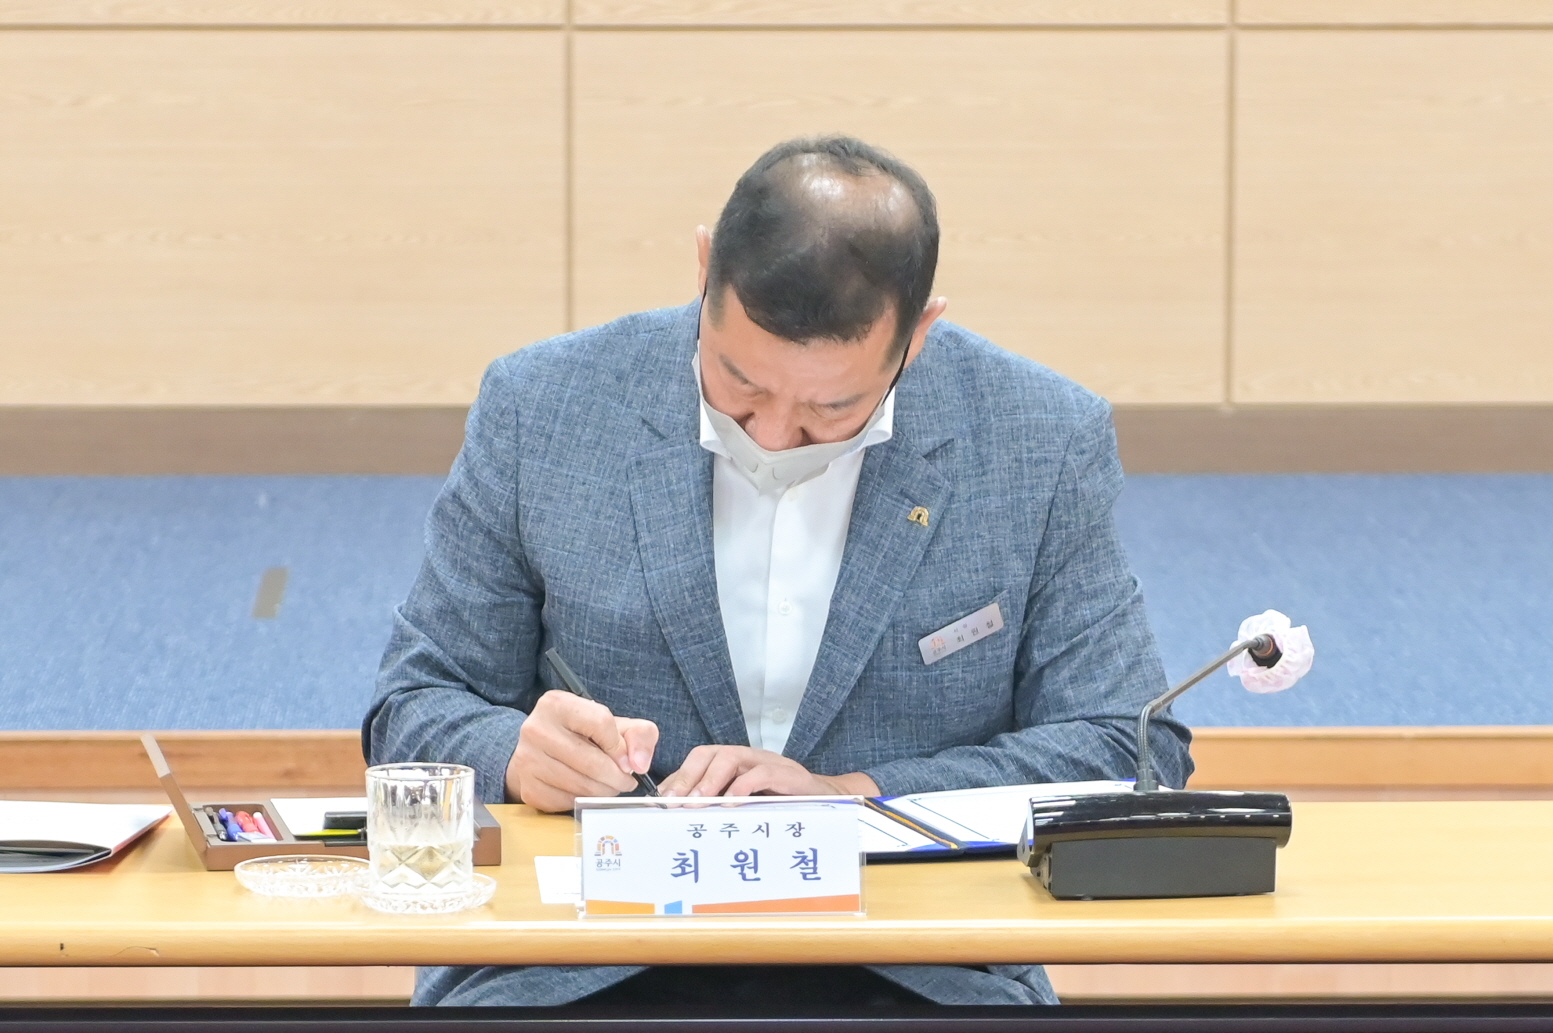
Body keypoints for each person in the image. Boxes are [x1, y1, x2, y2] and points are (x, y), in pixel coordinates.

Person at [364, 135, 1192, 1010]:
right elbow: (414, 705)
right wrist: (516, 755)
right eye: (739, 383)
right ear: (702, 270)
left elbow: (1130, 748)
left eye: (830, 407)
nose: (769, 436)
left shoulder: (1037, 439)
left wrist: (855, 799)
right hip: (580, 959)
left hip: (918, 960)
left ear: (917, 334)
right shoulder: (544, 408)